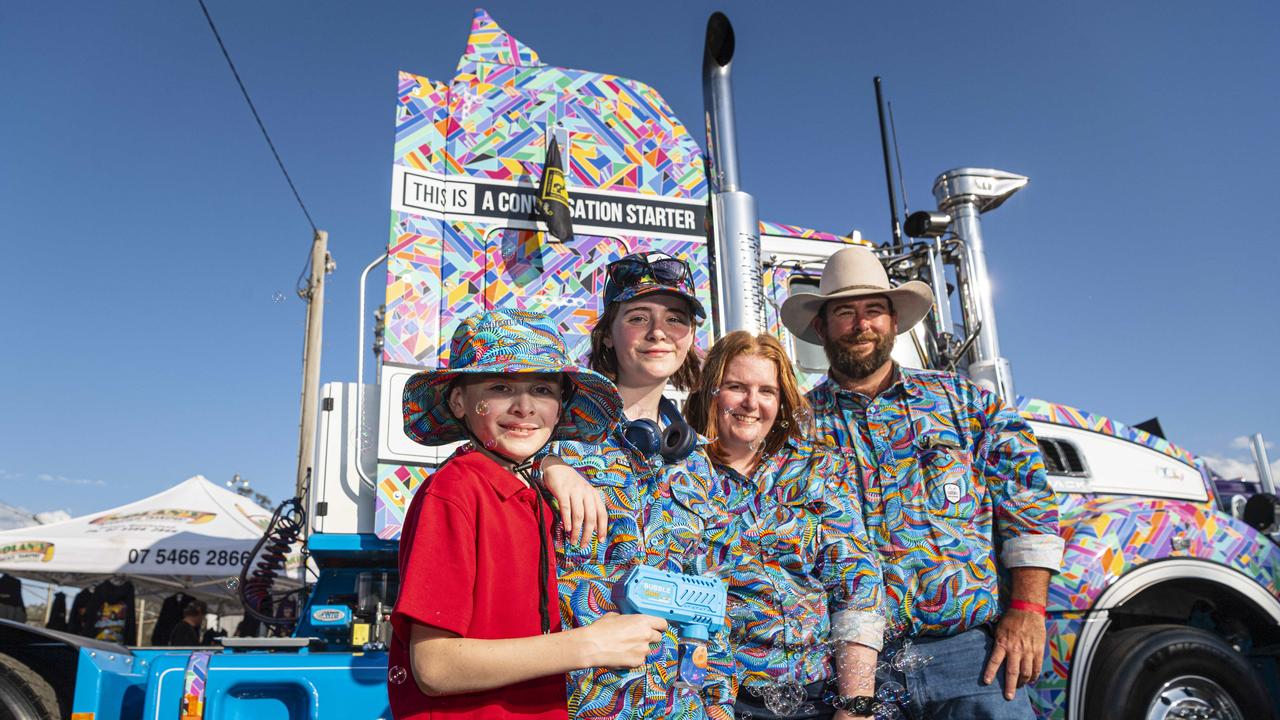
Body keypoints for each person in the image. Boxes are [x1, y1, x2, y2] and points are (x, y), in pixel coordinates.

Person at [780, 246, 1064, 720]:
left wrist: (1028, 612)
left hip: (973, 659)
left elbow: (1028, 503)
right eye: (845, 313)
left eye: (873, 311)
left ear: (894, 322)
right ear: (821, 327)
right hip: (855, 670)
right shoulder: (794, 428)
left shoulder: (966, 404)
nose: (861, 325)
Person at [390, 309, 669, 720]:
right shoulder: (453, 492)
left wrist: (551, 465)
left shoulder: (532, 491)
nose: (524, 407)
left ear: (560, 407)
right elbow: (435, 666)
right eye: (500, 386)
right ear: (459, 401)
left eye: (542, 388)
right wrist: (588, 645)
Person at [542, 251, 738, 719]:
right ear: (608, 335)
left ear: (690, 338)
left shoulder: (698, 462)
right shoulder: (552, 437)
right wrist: (545, 464)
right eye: (637, 317)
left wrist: (718, 705)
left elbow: (715, 600)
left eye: (675, 319)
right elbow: (474, 468)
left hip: (679, 707)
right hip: (576, 704)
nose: (658, 332)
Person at [686, 331, 883, 720]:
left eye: (766, 391)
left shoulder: (816, 469)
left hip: (814, 699)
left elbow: (857, 584)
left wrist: (856, 706)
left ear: (782, 400)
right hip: (712, 699)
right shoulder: (681, 471)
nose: (751, 403)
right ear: (711, 392)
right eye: (736, 387)